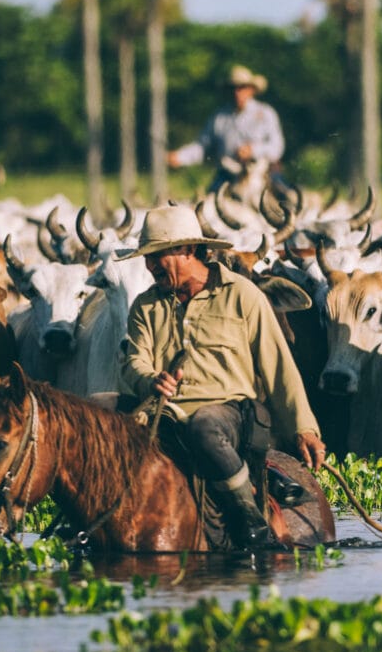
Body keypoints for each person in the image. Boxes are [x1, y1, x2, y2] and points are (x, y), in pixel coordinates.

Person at [117, 204, 327, 551]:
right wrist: (149, 380)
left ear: (187, 250)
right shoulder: (144, 306)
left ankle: (250, 519)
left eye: (157, 255)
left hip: (232, 414)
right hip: (163, 414)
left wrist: (303, 428)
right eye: (147, 257)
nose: (149, 266)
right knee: (95, 410)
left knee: (205, 426)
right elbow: (133, 360)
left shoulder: (244, 295)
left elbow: (278, 368)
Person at [168, 64, 285, 192]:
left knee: (288, 199)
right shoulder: (219, 117)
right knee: (207, 203)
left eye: (242, 87)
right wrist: (180, 157)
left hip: (262, 171)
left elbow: (277, 146)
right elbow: (202, 146)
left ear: (251, 89)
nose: (237, 92)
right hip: (228, 173)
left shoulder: (266, 113)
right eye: (233, 88)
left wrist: (253, 150)